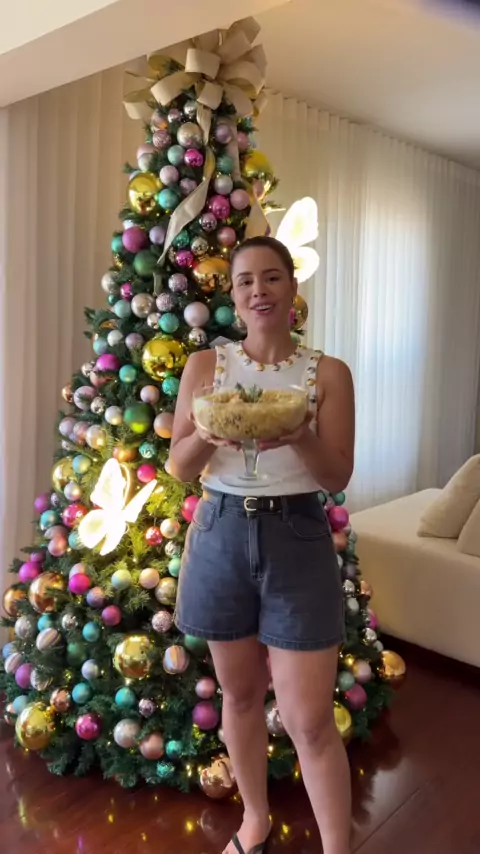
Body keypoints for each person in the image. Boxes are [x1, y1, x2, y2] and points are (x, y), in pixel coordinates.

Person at [169, 235, 355, 854]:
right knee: (241, 695)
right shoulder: (206, 367)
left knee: (309, 719)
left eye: (272, 277)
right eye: (246, 280)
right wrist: (209, 431)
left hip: (297, 535)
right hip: (221, 531)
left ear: (292, 287)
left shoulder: (327, 373)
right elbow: (179, 467)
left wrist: (299, 432)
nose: (259, 291)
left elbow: (336, 475)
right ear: (233, 294)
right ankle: (255, 821)